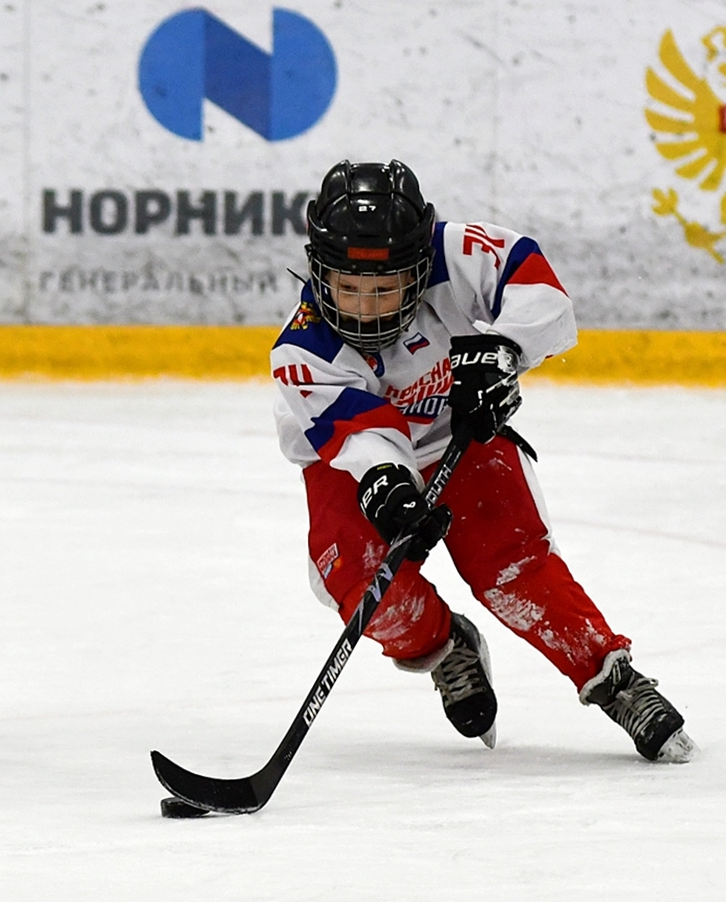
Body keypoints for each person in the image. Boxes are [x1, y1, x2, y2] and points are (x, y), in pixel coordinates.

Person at [271, 159, 695, 762]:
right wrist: (388, 485)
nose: (365, 309)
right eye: (349, 289)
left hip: (461, 434)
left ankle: (613, 677)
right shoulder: (302, 349)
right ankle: (448, 648)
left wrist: (503, 349)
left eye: (384, 288)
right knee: (363, 583)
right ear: (319, 270)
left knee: (511, 568)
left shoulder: (455, 253)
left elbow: (538, 287)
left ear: (417, 271)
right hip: (353, 461)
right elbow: (361, 436)